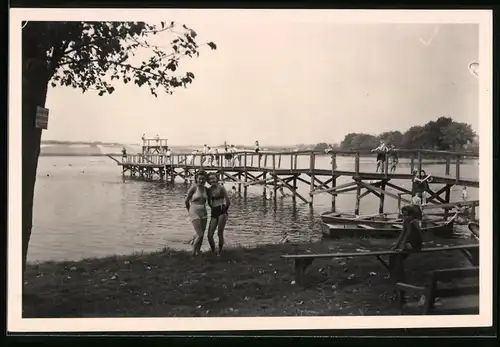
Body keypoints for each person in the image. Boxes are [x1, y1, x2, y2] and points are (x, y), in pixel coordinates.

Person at [184, 170, 209, 256]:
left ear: (205, 179)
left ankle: (198, 251)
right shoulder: (193, 188)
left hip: (204, 211)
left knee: (202, 233)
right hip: (194, 211)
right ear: (196, 179)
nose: (201, 181)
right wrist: (190, 212)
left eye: (203, 179)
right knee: (200, 234)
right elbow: (186, 201)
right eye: (199, 179)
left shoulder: (206, 189)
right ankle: (193, 253)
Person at [206, 173, 231, 255]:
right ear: (208, 181)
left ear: (216, 178)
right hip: (214, 211)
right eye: (210, 179)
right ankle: (213, 251)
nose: (212, 180)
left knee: (220, 233)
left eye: (213, 178)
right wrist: (213, 208)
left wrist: (225, 211)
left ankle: (219, 252)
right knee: (209, 235)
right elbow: (209, 202)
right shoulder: (209, 190)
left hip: (221, 210)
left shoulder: (221, 188)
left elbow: (228, 201)